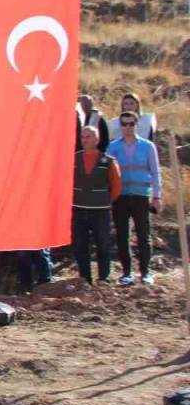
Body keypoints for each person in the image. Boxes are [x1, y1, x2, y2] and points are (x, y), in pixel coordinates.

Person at [107, 111, 163, 286]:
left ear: (136, 125)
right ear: (120, 126)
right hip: (120, 197)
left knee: (143, 235)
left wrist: (157, 196)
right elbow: (108, 173)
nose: (128, 127)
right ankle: (126, 273)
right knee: (122, 236)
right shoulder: (113, 147)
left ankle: (145, 272)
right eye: (124, 124)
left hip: (141, 196)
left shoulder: (147, 146)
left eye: (131, 124)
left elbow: (155, 172)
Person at [72, 126, 122, 285]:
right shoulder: (74, 159)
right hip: (78, 209)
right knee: (80, 246)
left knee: (103, 245)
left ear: (97, 139)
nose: (85, 140)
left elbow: (117, 186)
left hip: (100, 211)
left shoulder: (108, 161)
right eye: (83, 137)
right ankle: (85, 278)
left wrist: (105, 201)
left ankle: (104, 278)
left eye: (88, 136)